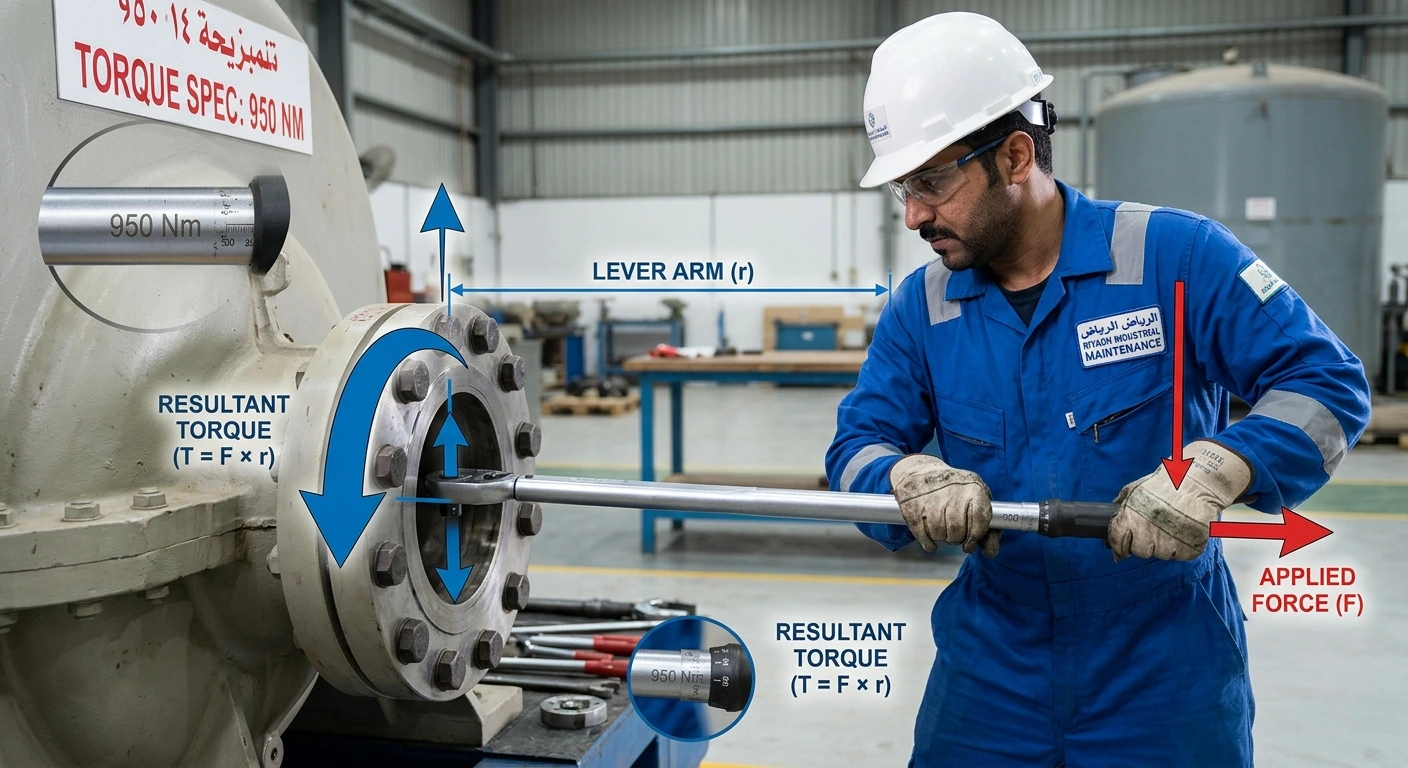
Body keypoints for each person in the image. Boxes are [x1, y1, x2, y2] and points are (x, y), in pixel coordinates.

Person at [825, 12, 1372, 767]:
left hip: (1163, 667)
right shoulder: (924, 308)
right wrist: (902, 474)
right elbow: (854, 448)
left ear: (1015, 155)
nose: (915, 214)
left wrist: (1219, 468)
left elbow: (1327, 384)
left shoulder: (1173, 257)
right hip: (991, 671)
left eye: (931, 181)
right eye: (903, 189)